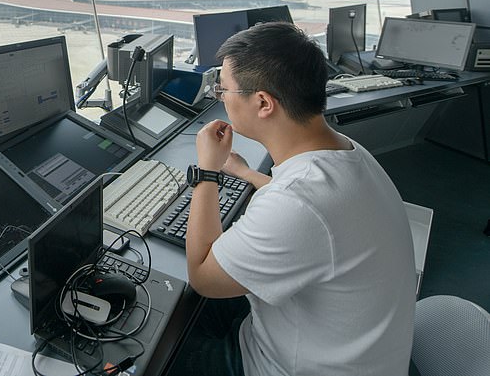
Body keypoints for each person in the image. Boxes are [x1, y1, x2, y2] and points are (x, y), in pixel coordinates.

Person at [175, 22, 416, 376]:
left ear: (262, 103)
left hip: (283, 367)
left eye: (223, 89)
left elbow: (203, 277)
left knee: (155, 344)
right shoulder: (349, 154)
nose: (220, 97)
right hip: (354, 350)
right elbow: (312, 212)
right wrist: (246, 174)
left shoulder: (297, 203)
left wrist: (207, 171)